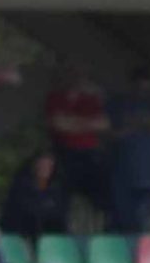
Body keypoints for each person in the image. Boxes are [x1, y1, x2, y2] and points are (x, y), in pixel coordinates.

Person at [44, 65, 111, 217]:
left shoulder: (91, 100)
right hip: (64, 153)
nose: (77, 80)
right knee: (60, 194)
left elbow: (104, 124)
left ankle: (107, 223)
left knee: (103, 191)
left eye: (80, 77)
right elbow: (58, 124)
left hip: (89, 153)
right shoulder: (56, 98)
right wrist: (88, 123)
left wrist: (72, 122)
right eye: (72, 76)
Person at [106, 66, 150, 234]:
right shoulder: (118, 104)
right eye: (139, 84)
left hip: (149, 173)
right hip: (123, 172)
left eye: (145, 84)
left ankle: (136, 245)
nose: (142, 89)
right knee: (121, 218)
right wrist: (132, 127)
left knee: (140, 220)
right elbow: (107, 133)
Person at [0, 150, 69, 242]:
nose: (45, 169)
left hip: (49, 234)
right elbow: (18, 212)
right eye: (42, 165)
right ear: (35, 165)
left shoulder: (57, 188)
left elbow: (60, 214)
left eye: (49, 166)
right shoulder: (21, 186)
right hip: (22, 233)